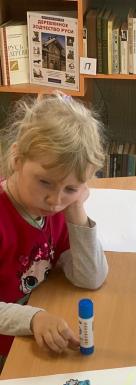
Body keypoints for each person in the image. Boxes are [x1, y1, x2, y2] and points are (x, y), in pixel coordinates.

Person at [0, 92, 108, 366]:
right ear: (17, 159)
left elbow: (90, 277)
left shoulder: (60, 210)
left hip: (29, 340)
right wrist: (33, 318)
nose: (55, 200)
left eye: (70, 188)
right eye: (45, 182)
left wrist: (76, 209)